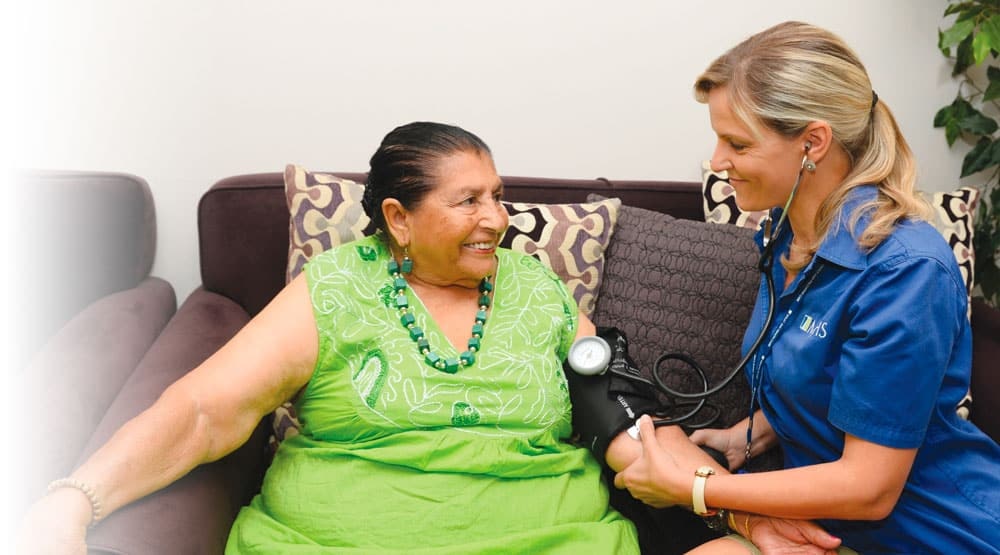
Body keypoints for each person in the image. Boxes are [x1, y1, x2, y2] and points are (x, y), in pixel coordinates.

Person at [18, 121, 641, 554]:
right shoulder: (338, 287)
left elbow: (620, 418)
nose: (497, 219)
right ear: (399, 218)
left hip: (551, 540)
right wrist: (75, 500)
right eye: (468, 201)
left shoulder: (535, 284)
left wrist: (710, 489)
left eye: (498, 198)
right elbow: (205, 412)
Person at [611, 21, 1000, 554]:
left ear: (813, 143)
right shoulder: (787, 234)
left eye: (737, 142)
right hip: (824, 528)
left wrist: (697, 488)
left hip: (937, 533)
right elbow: (827, 375)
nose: (717, 160)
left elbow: (870, 489)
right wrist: (752, 433)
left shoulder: (906, 270)